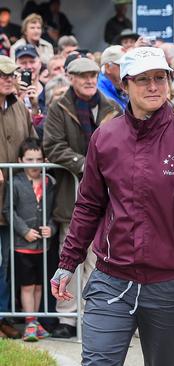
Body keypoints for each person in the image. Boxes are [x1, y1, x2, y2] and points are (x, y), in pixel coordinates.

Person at [49, 46, 174, 364]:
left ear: (168, 81)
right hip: (111, 279)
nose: (153, 86)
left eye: (159, 78)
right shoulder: (104, 138)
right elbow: (88, 206)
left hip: (172, 283)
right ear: (125, 84)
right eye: (143, 79)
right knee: (98, 362)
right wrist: (68, 263)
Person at [43, 57, 122, 339]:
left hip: (110, 197)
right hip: (73, 195)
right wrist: (85, 164)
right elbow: (52, 145)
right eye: (83, 75)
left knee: (99, 260)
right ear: (71, 78)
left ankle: (95, 317)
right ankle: (67, 318)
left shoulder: (111, 106)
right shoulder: (59, 107)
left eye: (92, 75)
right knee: (71, 257)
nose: (89, 80)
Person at [2, 137, 56, 342]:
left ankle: (35, 322)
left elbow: (52, 212)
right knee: (26, 286)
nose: (34, 165)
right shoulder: (14, 183)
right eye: (29, 160)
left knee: (39, 286)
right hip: (22, 246)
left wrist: (50, 228)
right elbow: (9, 210)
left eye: (38, 159)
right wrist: (24, 231)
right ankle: (29, 322)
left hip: (42, 246)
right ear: (19, 160)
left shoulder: (50, 183)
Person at [0, 56, 37, 340]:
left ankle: (3, 317)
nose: (8, 78)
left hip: (16, 200)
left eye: (11, 74)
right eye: (2, 75)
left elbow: (31, 144)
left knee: (7, 264)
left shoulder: (19, 108)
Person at [98, 45, 127, 110]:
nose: (127, 70)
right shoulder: (97, 90)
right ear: (108, 67)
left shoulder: (120, 86)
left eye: (128, 65)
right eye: (122, 66)